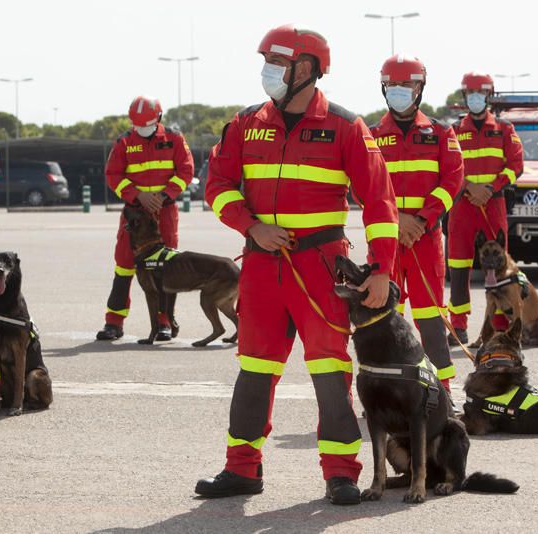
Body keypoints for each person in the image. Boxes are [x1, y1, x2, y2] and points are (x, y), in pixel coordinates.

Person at [197, 25, 398, 505]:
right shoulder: (245, 123)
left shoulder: (346, 126)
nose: (267, 72)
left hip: (322, 266)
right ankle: (241, 469)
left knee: (330, 371)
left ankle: (341, 475)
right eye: (266, 61)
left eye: (277, 63)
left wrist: (382, 269)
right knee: (254, 368)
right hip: (264, 266)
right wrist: (251, 226)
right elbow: (218, 186)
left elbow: (380, 202)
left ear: (305, 69)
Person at [369, 54, 464, 391]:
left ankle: (442, 391)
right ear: (383, 88)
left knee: (431, 319)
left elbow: (452, 181)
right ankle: (384, 390)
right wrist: (396, 220)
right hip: (386, 241)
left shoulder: (440, 132)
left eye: (406, 84)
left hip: (424, 240)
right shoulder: (370, 135)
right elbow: (361, 186)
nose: (399, 90)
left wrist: (421, 221)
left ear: (420, 86)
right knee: (381, 318)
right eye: (392, 85)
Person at [96, 96, 194, 341]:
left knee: (163, 267)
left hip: (165, 211)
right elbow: (113, 175)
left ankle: (164, 323)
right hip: (134, 214)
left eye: (146, 125)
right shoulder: (125, 142)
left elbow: (186, 170)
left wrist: (163, 195)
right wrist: (138, 195)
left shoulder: (174, 138)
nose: (142, 130)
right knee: (124, 265)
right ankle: (114, 322)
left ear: (159, 118)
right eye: (137, 125)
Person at [447, 72, 524, 345]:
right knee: (458, 267)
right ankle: (458, 326)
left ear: (489, 96)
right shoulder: (453, 130)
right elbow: (447, 167)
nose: (475, 98)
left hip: (493, 204)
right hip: (462, 207)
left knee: (498, 267)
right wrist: (469, 187)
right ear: (464, 97)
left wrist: (490, 188)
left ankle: (500, 327)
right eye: (470, 94)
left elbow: (516, 166)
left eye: (480, 93)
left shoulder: (504, 129)